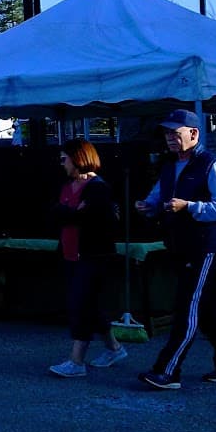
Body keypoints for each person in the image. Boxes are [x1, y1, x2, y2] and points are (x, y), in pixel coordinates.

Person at [132, 109, 216, 390]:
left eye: (176, 132)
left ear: (194, 134)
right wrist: (147, 207)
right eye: (167, 133)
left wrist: (190, 206)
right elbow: (157, 197)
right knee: (206, 310)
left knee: (188, 308)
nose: (170, 138)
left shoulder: (211, 164)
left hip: (204, 247)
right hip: (181, 246)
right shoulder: (170, 166)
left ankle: (167, 371)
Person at [48, 140, 127, 377]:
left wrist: (68, 213)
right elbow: (61, 215)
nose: (62, 164)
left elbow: (87, 218)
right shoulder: (67, 187)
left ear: (77, 158)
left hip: (93, 255)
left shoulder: (97, 188)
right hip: (71, 253)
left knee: (80, 304)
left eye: (65, 159)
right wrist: (70, 213)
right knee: (89, 304)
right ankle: (114, 348)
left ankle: (76, 361)